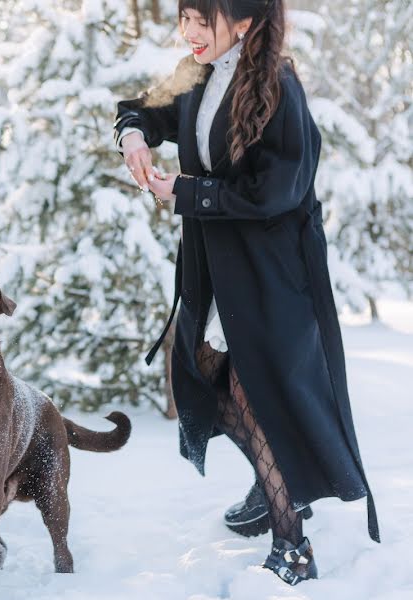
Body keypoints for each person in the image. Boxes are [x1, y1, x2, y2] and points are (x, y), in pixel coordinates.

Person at [114, 0, 379, 585]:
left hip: (271, 270)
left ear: (244, 22)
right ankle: (271, 473)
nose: (188, 32)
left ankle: (293, 543)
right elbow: (145, 109)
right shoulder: (198, 70)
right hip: (215, 264)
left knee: (251, 385)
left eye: (200, 20)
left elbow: (277, 193)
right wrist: (134, 135)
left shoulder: (279, 87)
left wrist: (188, 193)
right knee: (205, 368)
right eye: (183, 17)